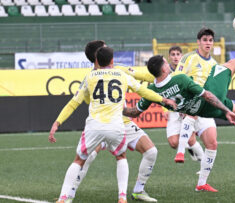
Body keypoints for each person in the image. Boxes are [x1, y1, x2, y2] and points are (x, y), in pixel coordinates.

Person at [124, 32, 235, 192]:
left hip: (203, 111)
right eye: (166, 62)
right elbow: (207, 95)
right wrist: (226, 110)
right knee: (233, 64)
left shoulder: (151, 92)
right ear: (163, 69)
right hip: (207, 99)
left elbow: (133, 112)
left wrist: (118, 109)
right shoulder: (180, 79)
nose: (169, 63)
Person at [63, 40, 174, 203]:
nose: (108, 48)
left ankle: (138, 190)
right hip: (102, 123)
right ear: (97, 55)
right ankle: (69, 194)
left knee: (151, 152)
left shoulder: (118, 69)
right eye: (105, 47)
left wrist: (165, 75)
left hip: (123, 124)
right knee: (87, 157)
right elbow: (83, 100)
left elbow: (142, 76)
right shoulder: (90, 78)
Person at [49, 47, 147, 203]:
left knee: (82, 158)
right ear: (98, 57)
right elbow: (82, 101)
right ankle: (118, 196)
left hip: (107, 123)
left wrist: (57, 122)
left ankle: (65, 196)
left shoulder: (95, 75)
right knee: (99, 157)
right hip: (114, 123)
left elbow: (75, 102)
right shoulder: (101, 74)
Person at [173, 28, 220, 166]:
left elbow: (214, 88)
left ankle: (202, 183)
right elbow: (177, 79)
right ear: (198, 42)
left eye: (210, 40)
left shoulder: (214, 64)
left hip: (205, 105)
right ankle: (180, 152)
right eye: (205, 40)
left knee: (212, 143)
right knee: (191, 113)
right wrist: (179, 101)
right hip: (189, 101)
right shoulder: (189, 58)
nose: (208, 43)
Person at [165, 46, 205, 162]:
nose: (175, 57)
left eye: (178, 54)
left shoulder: (186, 69)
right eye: (173, 54)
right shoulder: (166, 71)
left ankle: (203, 163)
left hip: (186, 108)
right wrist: (164, 110)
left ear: (181, 56)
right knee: (173, 143)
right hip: (173, 109)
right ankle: (188, 148)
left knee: (191, 139)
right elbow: (162, 91)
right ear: (169, 57)